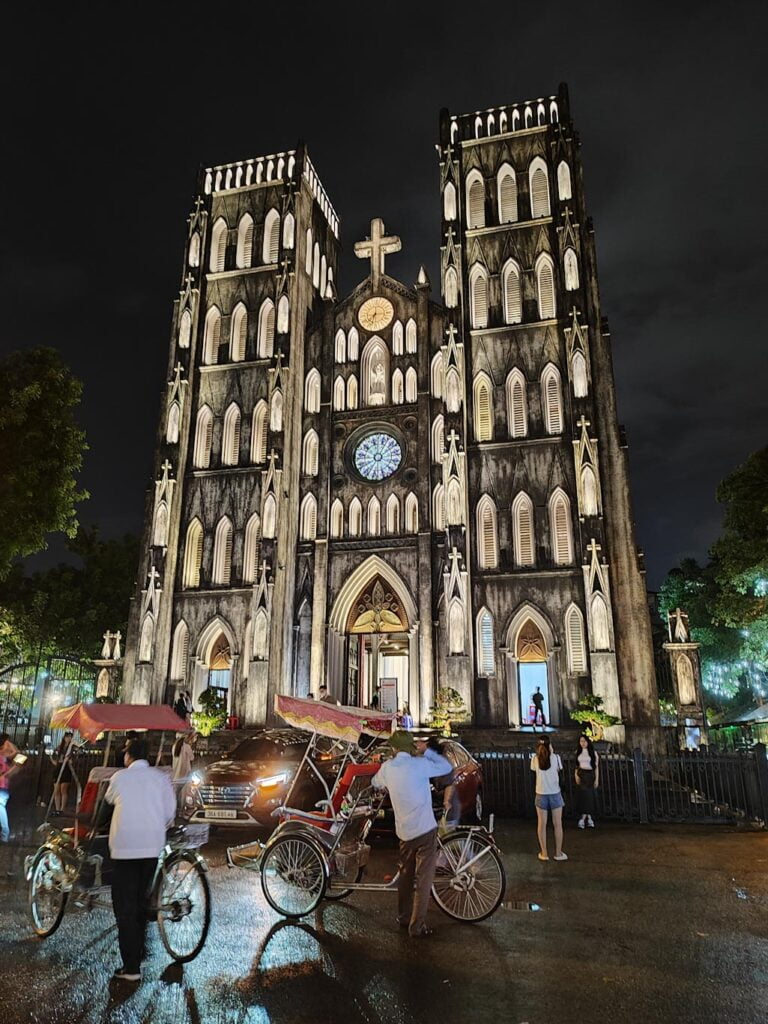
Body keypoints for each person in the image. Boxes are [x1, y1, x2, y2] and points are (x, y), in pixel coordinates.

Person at [104, 736, 177, 982]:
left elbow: (109, 802)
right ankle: (141, 950)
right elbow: (169, 814)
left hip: (125, 848)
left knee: (125, 906)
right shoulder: (161, 778)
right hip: (152, 847)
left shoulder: (119, 778)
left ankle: (132, 966)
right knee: (142, 900)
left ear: (128, 756)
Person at [373, 730, 452, 938]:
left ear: (394, 748)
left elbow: (375, 783)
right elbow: (446, 767)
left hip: (404, 833)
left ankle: (404, 917)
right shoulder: (419, 765)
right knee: (424, 878)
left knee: (406, 876)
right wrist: (428, 752)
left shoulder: (388, 768)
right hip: (425, 829)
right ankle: (417, 926)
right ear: (411, 748)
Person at [530, 735, 567, 862]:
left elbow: (534, 771)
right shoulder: (556, 757)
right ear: (549, 745)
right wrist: (551, 752)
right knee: (558, 824)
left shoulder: (535, 759)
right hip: (555, 792)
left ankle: (544, 853)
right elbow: (559, 770)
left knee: (542, 824)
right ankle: (558, 853)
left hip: (541, 793)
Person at [416, 735, 459, 825]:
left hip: (445, 811)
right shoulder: (433, 764)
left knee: (445, 834)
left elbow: (449, 784)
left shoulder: (441, 765)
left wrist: (446, 802)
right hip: (437, 809)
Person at [574, 733, 599, 829]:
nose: (583, 743)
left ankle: (584, 818)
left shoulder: (593, 753)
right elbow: (576, 766)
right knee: (583, 796)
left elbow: (596, 767)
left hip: (590, 775)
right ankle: (588, 818)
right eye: (581, 741)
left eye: (584, 741)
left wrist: (597, 779)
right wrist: (576, 776)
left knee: (589, 796)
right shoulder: (577, 752)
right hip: (582, 774)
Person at [51, 732, 75, 816]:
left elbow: (73, 759)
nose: (69, 739)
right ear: (64, 738)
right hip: (58, 768)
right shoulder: (59, 748)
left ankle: (62, 809)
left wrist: (69, 760)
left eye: (70, 737)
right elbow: (53, 756)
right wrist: (55, 762)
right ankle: (57, 809)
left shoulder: (72, 748)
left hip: (66, 769)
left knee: (63, 789)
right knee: (56, 790)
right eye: (67, 737)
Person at [0, 733, 18, 846]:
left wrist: (6, 774)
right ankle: (4, 834)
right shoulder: (3, 754)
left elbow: (18, 753)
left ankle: (5, 833)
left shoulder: (5, 755)